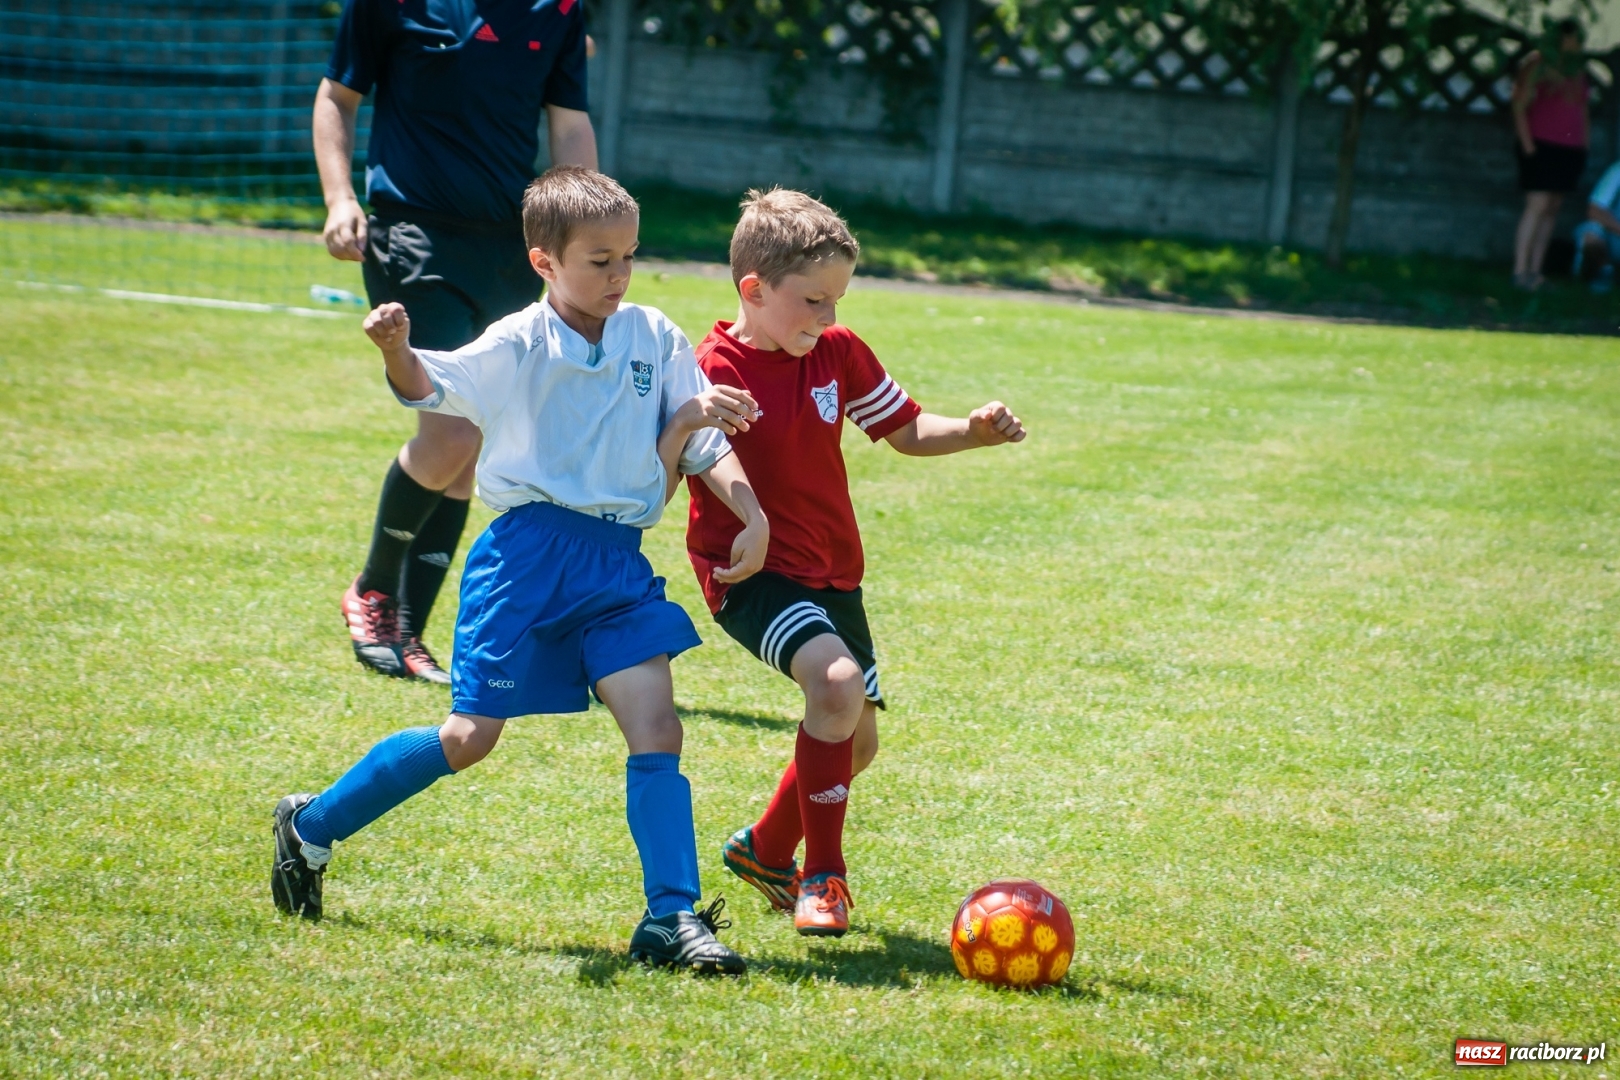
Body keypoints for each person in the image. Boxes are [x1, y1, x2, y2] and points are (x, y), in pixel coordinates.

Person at [272, 168, 771, 975]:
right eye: (599, 260)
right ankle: (312, 826)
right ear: (544, 262)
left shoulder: (654, 334)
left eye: (629, 258)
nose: (619, 276)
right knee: (470, 738)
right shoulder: (517, 341)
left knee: (658, 728)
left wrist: (750, 512)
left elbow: (706, 435)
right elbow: (427, 385)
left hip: (616, 566)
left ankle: (671, 918)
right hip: (526, 559)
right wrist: (397, 349)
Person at [686, 189, 1027, 937]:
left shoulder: (837, 354)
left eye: (837, 300)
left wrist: (971, 432)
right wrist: (746, 517)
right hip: (753, 574)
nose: (828, 318)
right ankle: (824, 878)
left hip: (834, 570)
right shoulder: (713, 372)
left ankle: (768, 848)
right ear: (754, 289)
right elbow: (692, 457)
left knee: (855, 738)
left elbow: (904, 430)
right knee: (836, 688)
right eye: (813, 301)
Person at [313, 0, 600, 683]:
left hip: (510, 249)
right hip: (414, 236)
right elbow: (336, 97)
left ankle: (408, 635)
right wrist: (339, 198)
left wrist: (585, 233)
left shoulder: (557, 8)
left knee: (470, 454)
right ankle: (374, 590)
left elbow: (570, 124)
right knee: (453, 437)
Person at [1511, 19, 1589, 291]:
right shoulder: (1537, 64)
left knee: (1553, 208)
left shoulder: (1577, 70)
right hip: (1541, 144)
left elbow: (1582, 109)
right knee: (1537, 205)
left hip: (1569, 148)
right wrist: (1528, 146)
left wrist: (1583, 145)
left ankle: (1536, 271)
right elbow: (1519, 104)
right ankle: (1520, 271)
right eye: (1573, 37)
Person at [1572, 157, 1620, 292]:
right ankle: (1602, 272)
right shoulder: (1618, 170)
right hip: (1615, 237)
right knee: (1590, 233)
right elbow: (1594, 210)